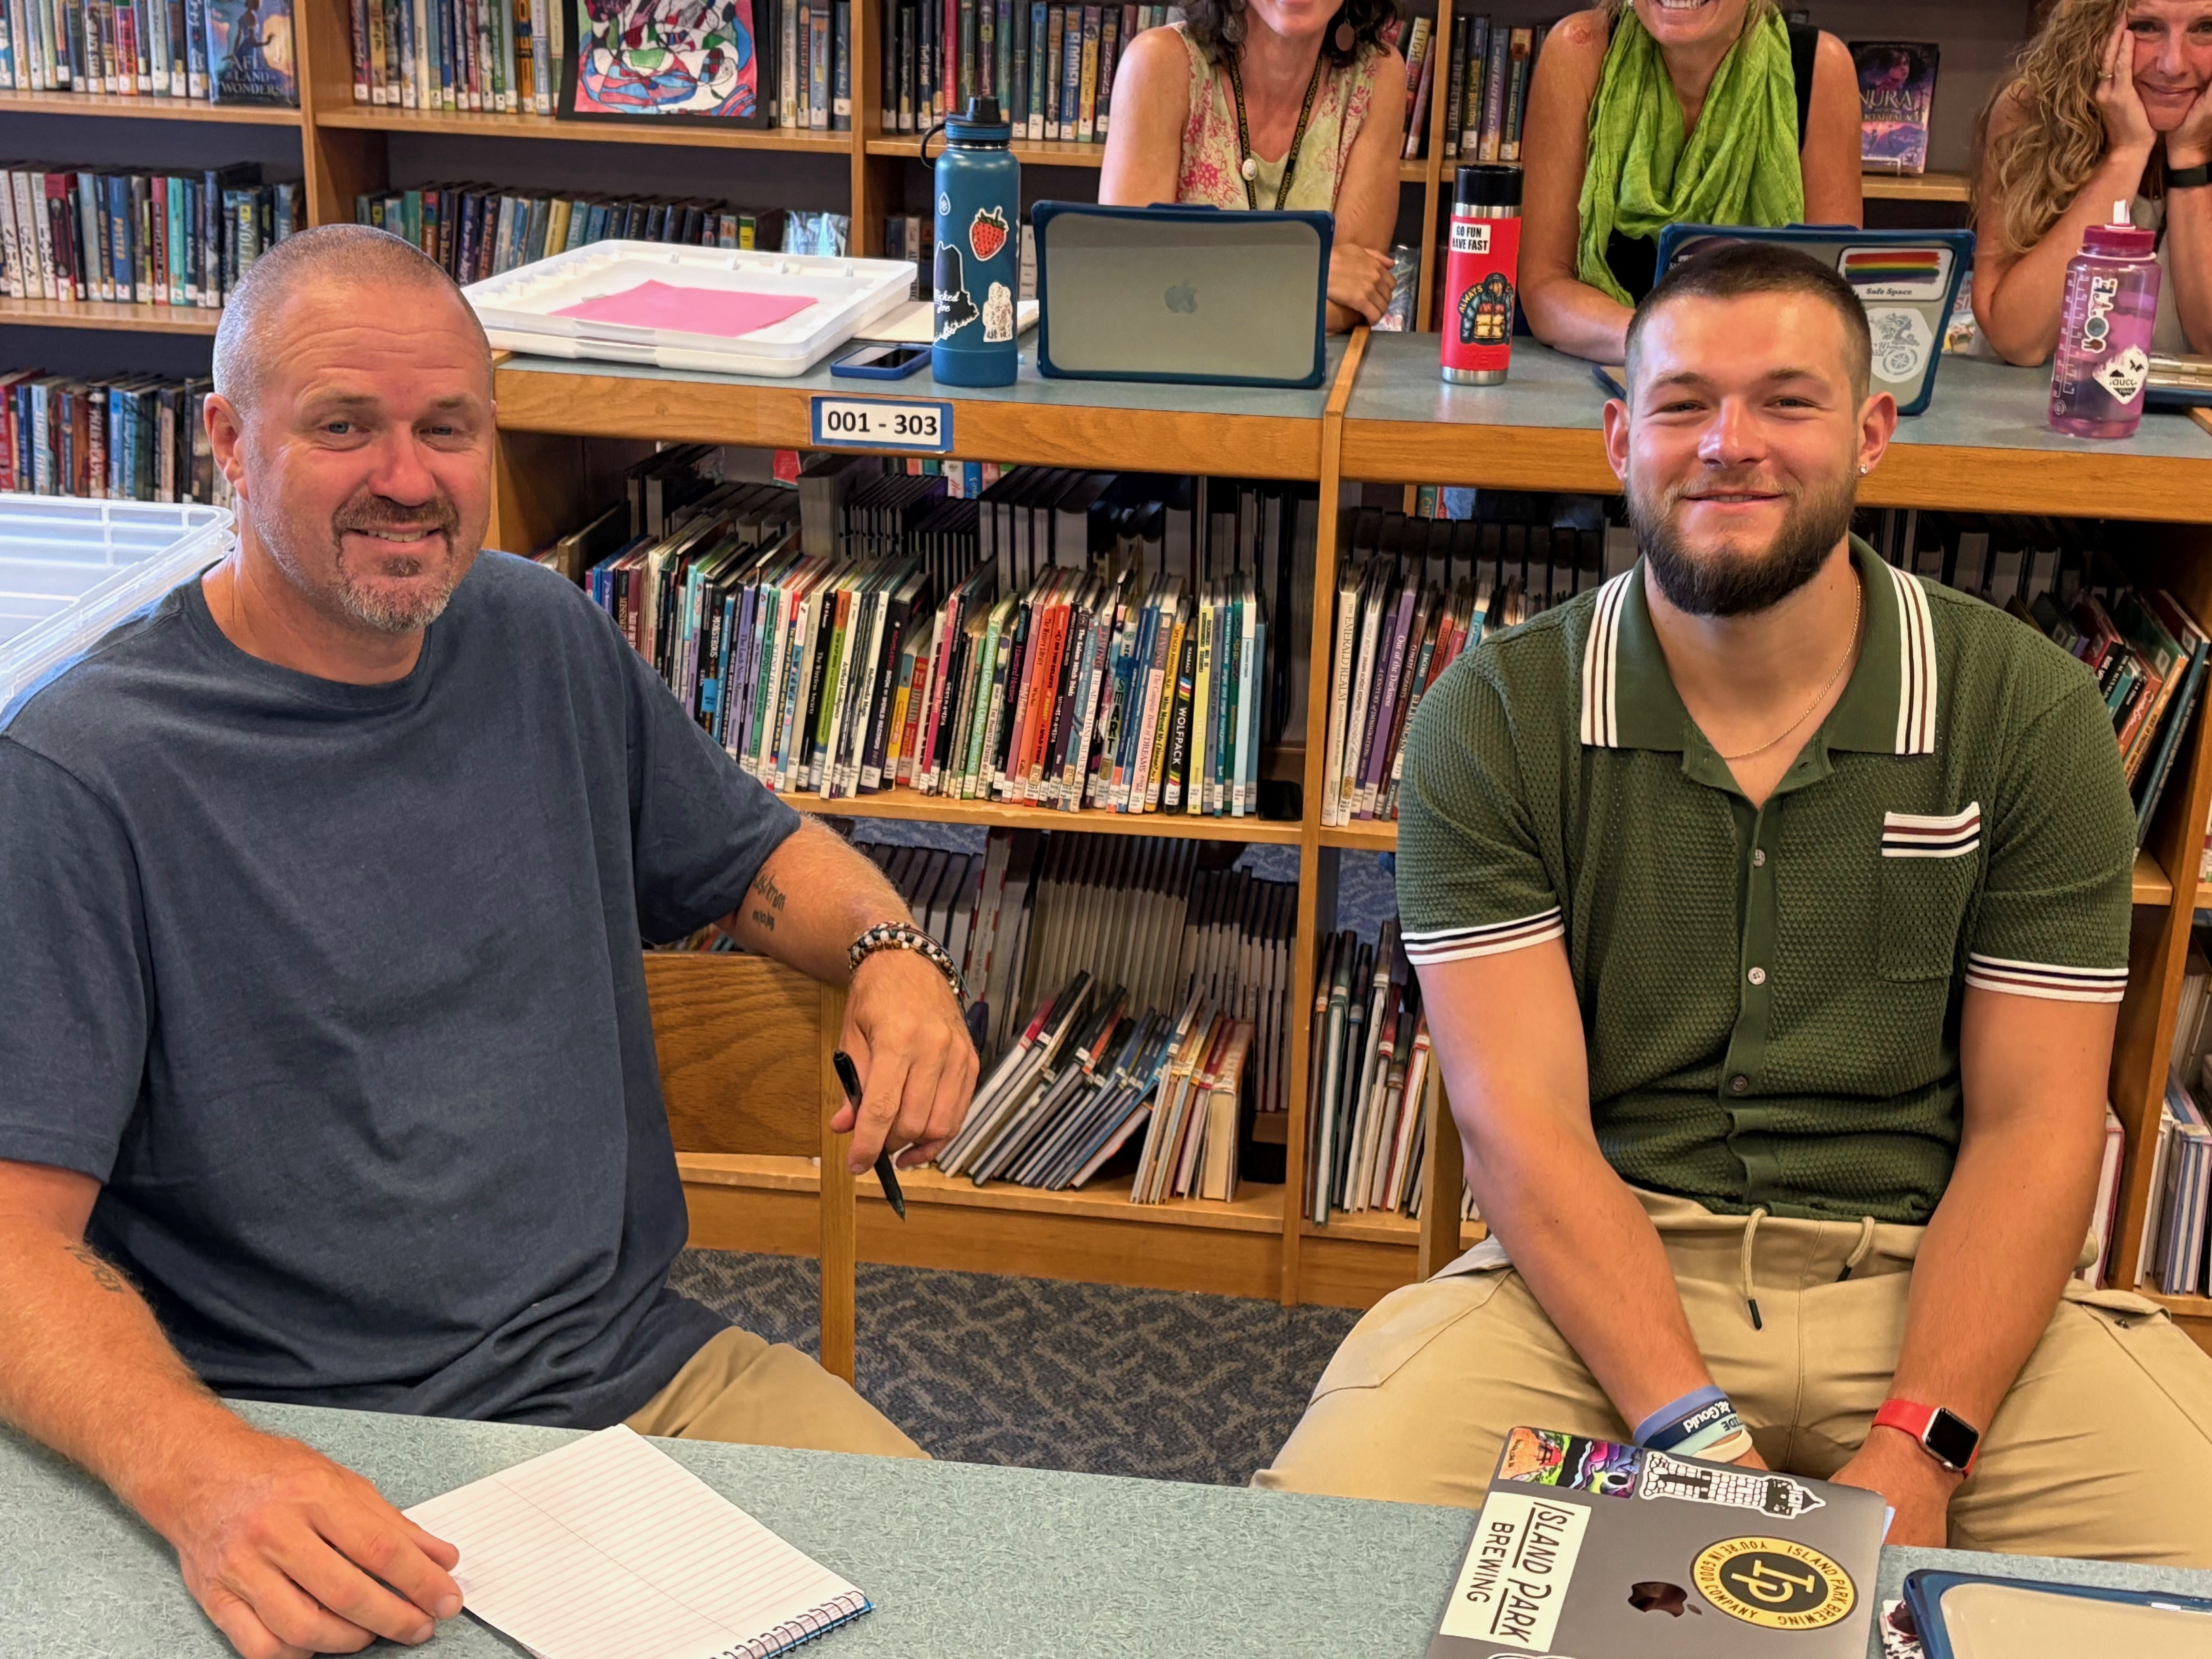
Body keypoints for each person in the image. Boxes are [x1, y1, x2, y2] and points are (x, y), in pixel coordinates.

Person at [0, 225, 979, 1659]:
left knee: (982, 1612)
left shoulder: (538, 636)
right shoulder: (84, 778)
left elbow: (759, 851)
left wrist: (894, 949)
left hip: (642, 1386)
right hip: (291, 1441)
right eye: (345, 426)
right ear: (224, 437)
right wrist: (205, 1477)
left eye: (446, 427)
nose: (408, 477)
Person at [1258, 241, 2212, 1565]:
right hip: (1596, 1287)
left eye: (1788, 401)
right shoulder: (1492, 717)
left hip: (1937, 1280)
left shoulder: (2029, 713)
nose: (1730, 444)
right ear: (1617, 437)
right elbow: (1519, 1123)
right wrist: (1699, 1443)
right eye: (1683, 403)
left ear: (1872, 432)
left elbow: (2036, 1124)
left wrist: (1923, 1440)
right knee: (1306, 1569)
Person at [1518, 0, 1863, 363]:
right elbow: (1545, 287)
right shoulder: (1579, 49)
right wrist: (1668, 348)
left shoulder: (1824, 66)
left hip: (1765, 374)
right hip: (1610, 374)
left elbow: (1835, 306)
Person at [1099, 0, 1407, 330]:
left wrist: (1198, 282)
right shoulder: (1158, 64)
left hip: (1314, 376)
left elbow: (1358, 296)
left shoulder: (1378, 77)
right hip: (1170, 368)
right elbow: (1131, 283)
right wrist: (1305, 269)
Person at [1973, 0, 2212, 364]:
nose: (2172, 65)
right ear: (2096, 29)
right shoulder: (2032, 110)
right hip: (2029, 409)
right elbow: (2018, 340)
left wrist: (2190, 157)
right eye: (2146, 26)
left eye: (2206, 29)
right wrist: (2127, 154)